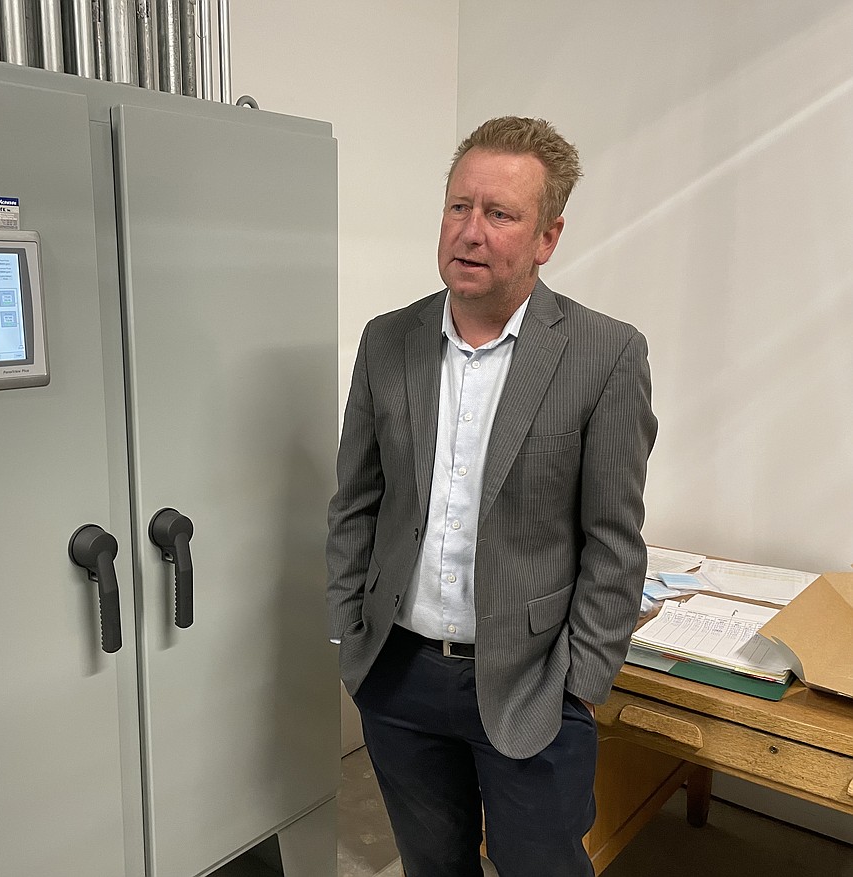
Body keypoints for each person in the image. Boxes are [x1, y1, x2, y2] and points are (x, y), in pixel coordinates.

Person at [326, 116, 658, 877]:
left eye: (500, 214)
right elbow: (356, 498)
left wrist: (580, 683)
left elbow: (615, 541)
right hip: (398, 675)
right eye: (458, 206)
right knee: (431, 864)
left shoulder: (605, 353)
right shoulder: (389, 340)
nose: (470, 232)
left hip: (533, 682)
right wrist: (351, 630)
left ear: (547, 236)